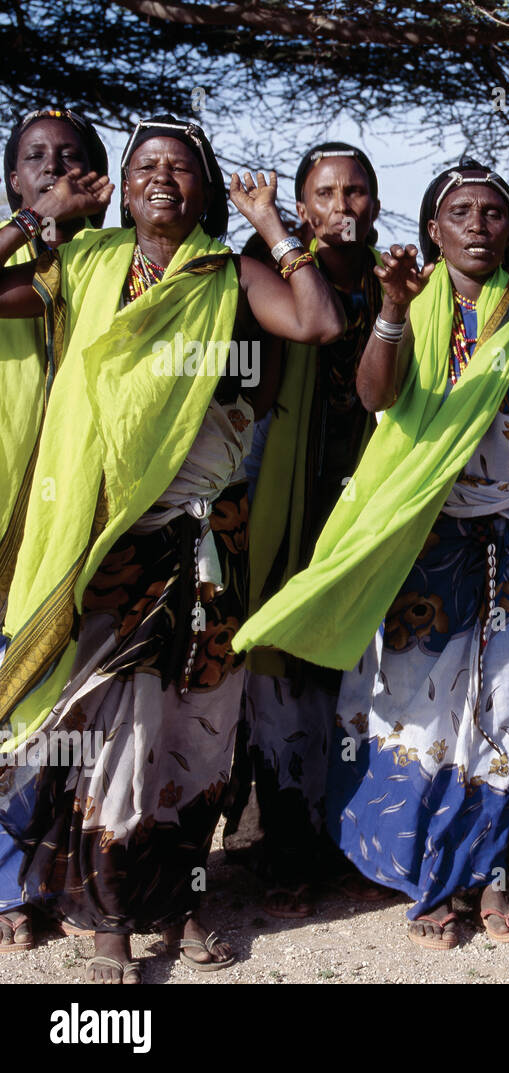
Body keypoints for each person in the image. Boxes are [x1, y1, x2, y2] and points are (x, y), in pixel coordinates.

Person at [235, 158, 509, 950]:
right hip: (424, 544)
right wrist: (394, 306)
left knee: (499, 709)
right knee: (417, 706)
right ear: (433, 229)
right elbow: (376, 395)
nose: (477, 223)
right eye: (459, 211)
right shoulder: (415, 298)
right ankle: (430, 874)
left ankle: (490, 874)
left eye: (494, 212)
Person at [0, 115, 344, 982]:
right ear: (118, 185)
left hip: (210, 542)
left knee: (198, 732)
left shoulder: (228, 275)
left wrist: (271, 225)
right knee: (114, 731)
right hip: (116, 540)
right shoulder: (84, 265)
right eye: (146, 165)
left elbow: (317, 323)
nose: (163, 178)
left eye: (182, 168)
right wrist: (39, 215)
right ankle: (112, 919)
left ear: (204, 189)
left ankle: (180, 899)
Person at [239, 142, 389, 917]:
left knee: (357, 681)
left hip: (365, 505)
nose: (344, 205)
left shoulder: (400, 285)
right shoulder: (270, 268)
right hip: (284, 498)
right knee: (282, 677)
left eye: (358, 191)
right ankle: (285, 847)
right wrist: (277, 239)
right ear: (301, 207)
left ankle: (353, 842)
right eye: (326, 192)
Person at [0, 106, 109, 956]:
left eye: (73, 158)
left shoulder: (110, 268)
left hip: (78, 521)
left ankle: (43, 882)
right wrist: (33, 227)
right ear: (12, 179)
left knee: (56, 708)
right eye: (36, 158)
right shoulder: (23, 260)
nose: (55, 167)